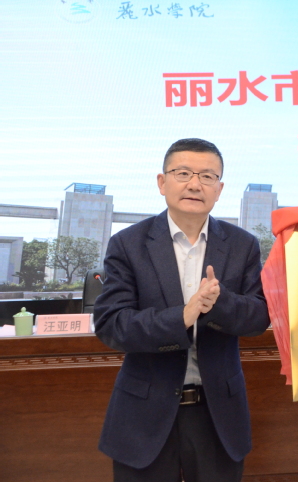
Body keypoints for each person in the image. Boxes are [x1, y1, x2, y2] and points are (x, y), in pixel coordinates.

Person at [94, 138, 269, 482]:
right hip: (144, 413)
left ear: (219, 189)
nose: (194, 184)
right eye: (183, 173)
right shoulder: (128, 243)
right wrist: (183, 317)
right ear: (162, 182)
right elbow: (112, 324)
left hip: (218, 415)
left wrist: (219, 303)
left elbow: (258, 317)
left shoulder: (242, 244)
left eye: (207, 176)